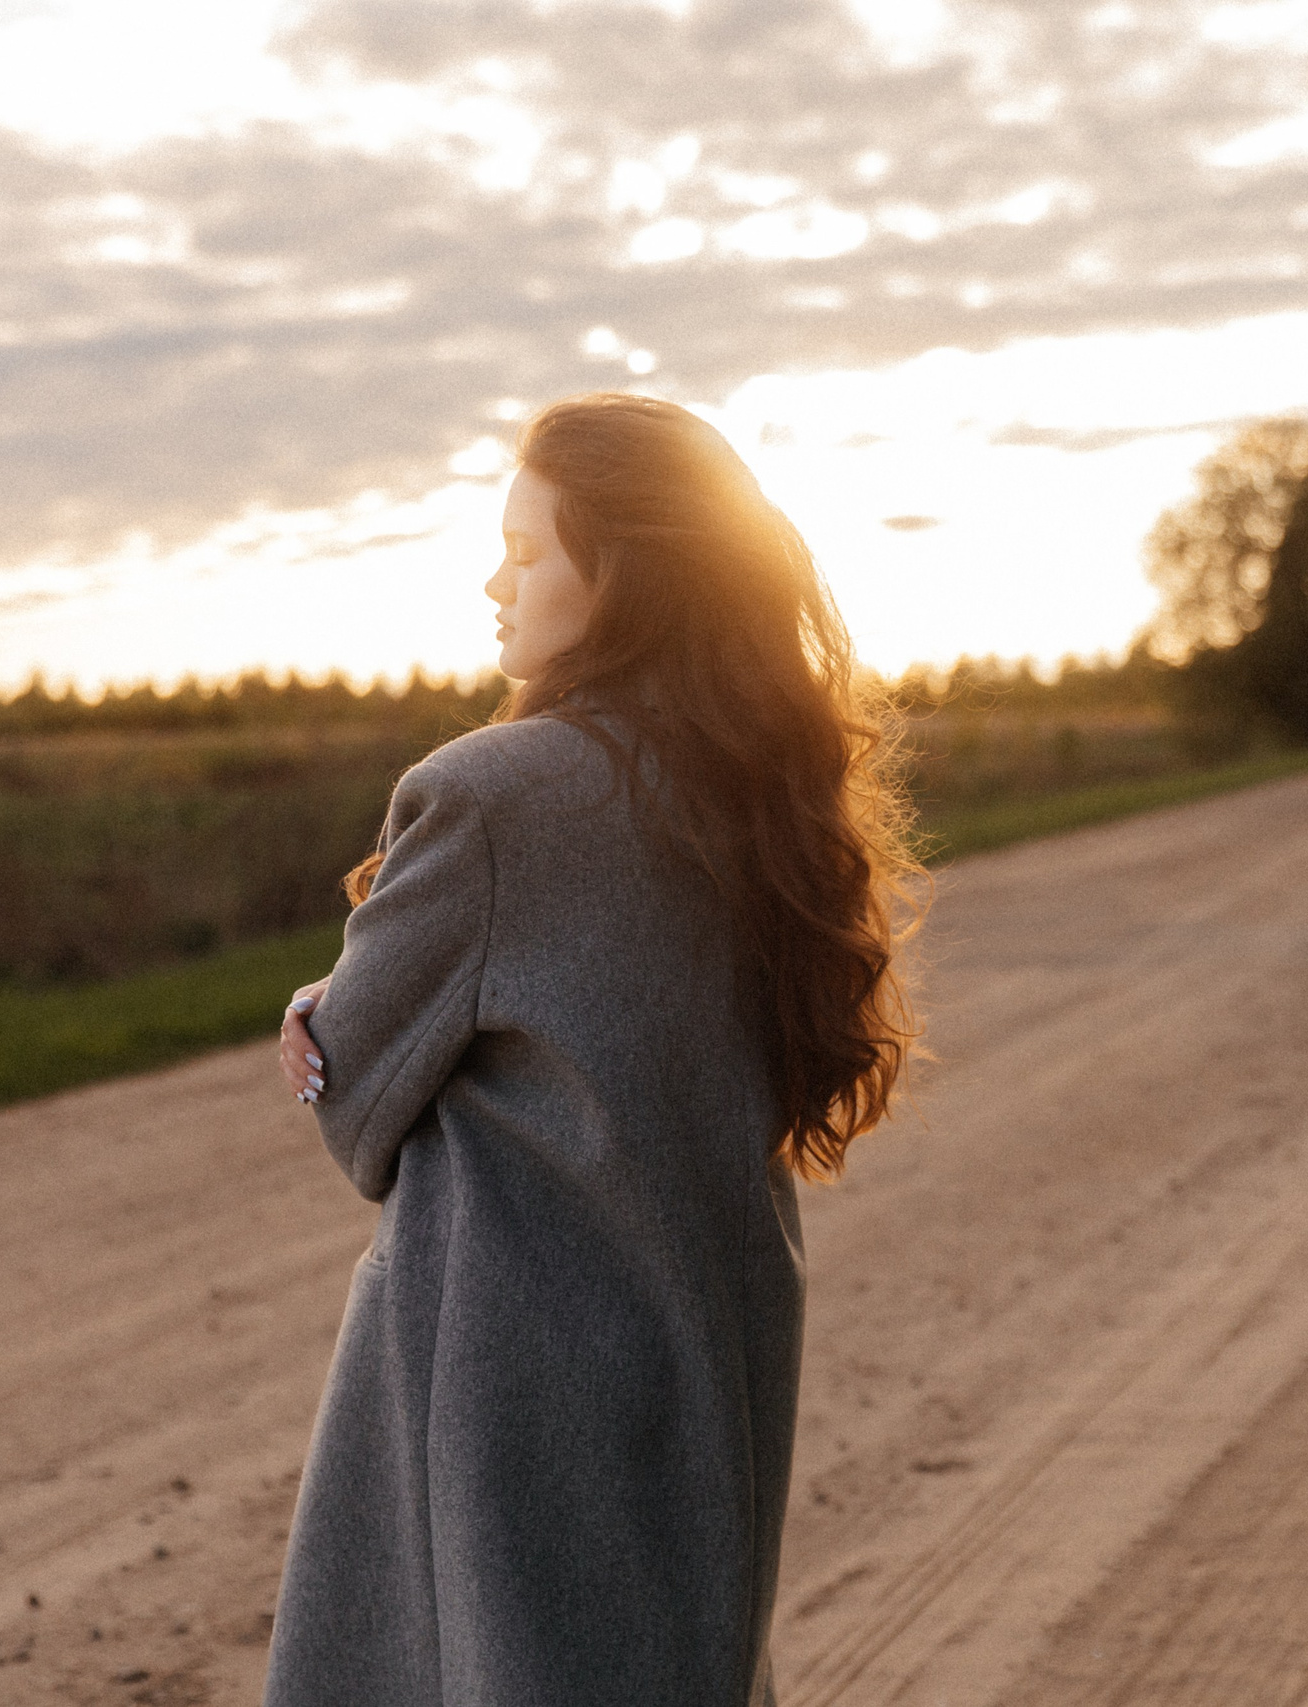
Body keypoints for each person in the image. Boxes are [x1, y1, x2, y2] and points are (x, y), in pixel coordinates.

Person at [261, 393, 919, 1706]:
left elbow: (360, 1101)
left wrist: (314, 1021)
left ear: (615, 570)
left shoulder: (488, 793)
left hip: (514, 1378)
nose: (495, 581)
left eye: (528, 550)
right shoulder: (759, 791)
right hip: (711, 1341)